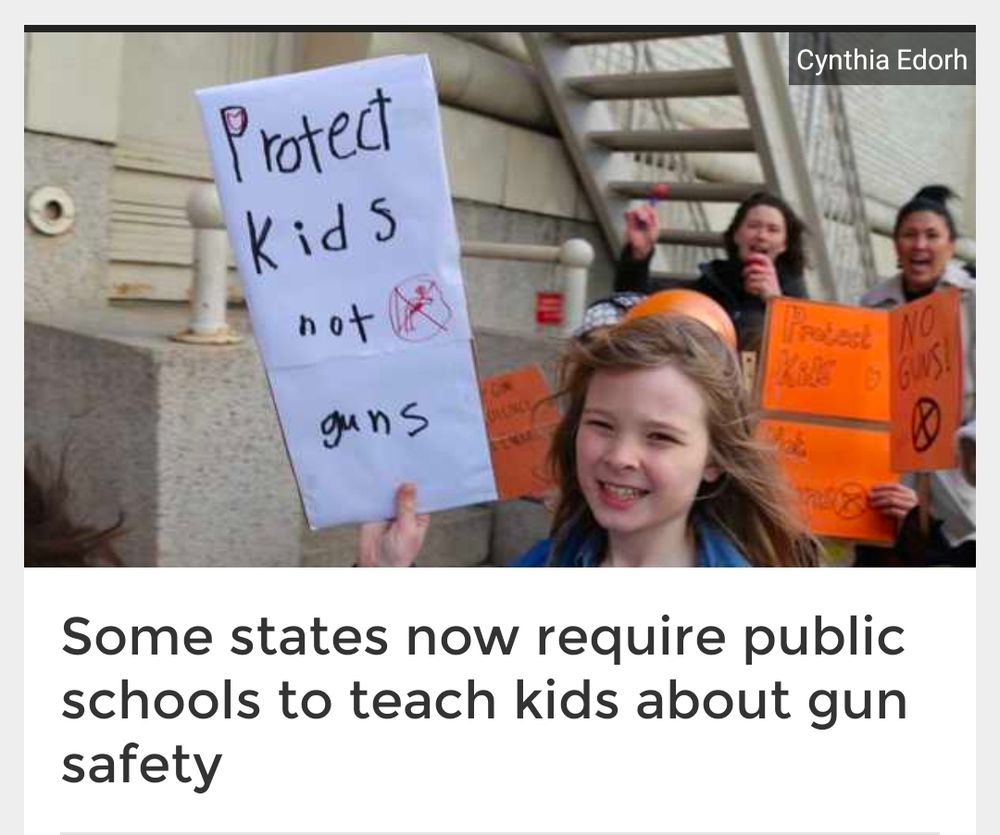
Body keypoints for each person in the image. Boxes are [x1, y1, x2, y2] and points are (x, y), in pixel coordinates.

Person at [359, 314, 821, 568]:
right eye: (601, 425)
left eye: (659, 437)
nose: (620, 457)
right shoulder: (547, 564)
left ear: (714, 459)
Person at [856, 185, 976, 567]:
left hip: (960, 480)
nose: (919, 245)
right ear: (895, 245)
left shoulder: (976, 301)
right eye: (909, 235)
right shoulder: (871, 305)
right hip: (889, 482)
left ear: (951, 244)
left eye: (931, 235)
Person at [613, 192, 810, 353]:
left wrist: (774, 301)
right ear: (736, 235)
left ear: (784, 244)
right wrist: (638, 255)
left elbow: (804, 351)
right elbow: (636, 302)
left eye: (773, 230)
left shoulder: (795, 297)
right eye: (753, 226)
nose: (761, 236)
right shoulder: (712, 283)